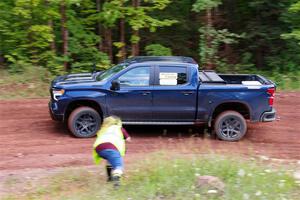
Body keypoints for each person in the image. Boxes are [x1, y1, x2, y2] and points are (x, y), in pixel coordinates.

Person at [92, 116, 131, 187]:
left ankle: (109, 178)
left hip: (98, 148)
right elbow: (128, 139)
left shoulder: (104, 129)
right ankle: (116, 182)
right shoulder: (119, 128)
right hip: (111, 147)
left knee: (109, 159)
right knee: (118, 166)